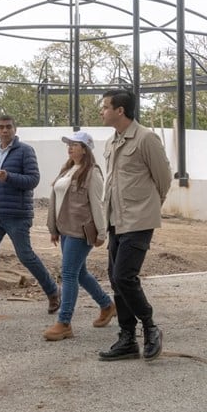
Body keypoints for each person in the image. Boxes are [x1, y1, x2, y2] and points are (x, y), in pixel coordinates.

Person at [99, 88, 173, 361]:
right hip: (115, 220)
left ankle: (150, 327)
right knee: (115, 279)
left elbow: (164, 178)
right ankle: (127, 338)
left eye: (106, 107)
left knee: (124, 276)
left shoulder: (146, 139)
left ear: (120, 110)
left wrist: (150, 207)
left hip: (138, 219)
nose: (102, 111)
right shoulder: (112, 142)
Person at [0, 114, 60, 319]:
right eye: (1, 127)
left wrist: (9, 177)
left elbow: (33, 179)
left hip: (16, 214)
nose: (5, 130)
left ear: (15, 129)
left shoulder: (25, 151)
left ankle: (53, 291)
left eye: (8, 127)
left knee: (25, 256)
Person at [44, 132, 116, 341]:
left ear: (85, 149)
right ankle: (107, 305)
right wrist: (53, 228)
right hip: (65, 229)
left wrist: (101, 233)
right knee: (80, 273)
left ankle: (64, 322)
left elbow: (97, 204)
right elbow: (56, 199)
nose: (70, 147)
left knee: (68, 274)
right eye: (69, 144)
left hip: (80, 231)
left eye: (75, 145)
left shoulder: (92, 173)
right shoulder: (67, 170)